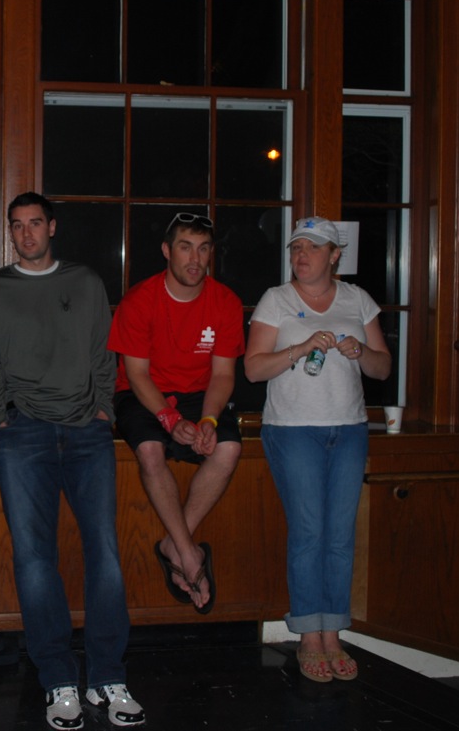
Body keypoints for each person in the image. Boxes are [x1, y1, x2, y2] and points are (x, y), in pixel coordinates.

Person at [0, 192, 145, 731]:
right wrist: (1, 416)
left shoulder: (85, 282)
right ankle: (58, 680)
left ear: (52, 227)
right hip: (23, 432)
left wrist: (102, 410)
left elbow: (103, 353)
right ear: (10, 232)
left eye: (35, 223)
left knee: (105, 553)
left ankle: (108, 676)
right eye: (17, 225)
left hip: (87, 432)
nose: (26, 234)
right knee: (33, 558)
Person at [243, 216, 392, 684]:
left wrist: (359, 351)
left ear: (334, 255)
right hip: (293, 430)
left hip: (348, 429)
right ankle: (309, 635)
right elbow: (253, 369)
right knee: (309, 532)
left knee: (340, 535)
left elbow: (383, 368)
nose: (301, 255)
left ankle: (333, 632)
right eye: (296, 248)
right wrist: (303, 346)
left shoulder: (357, 299)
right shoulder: (276, 300)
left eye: (312, 247)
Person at [108, 212, 245, 615]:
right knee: (151, 451)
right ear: (167, 251)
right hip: (143, 392)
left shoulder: (225, 301)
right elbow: (136, 374)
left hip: (200, 394)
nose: (195, 259)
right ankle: (189, 554)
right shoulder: (139, 300)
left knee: (228, 449)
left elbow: (223, 374)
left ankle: (173, 545)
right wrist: (169, 420)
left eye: (203, 249)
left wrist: (208, 420)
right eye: (185, 247)